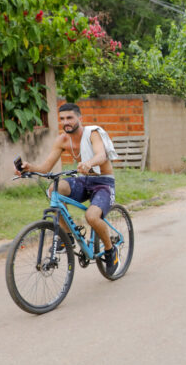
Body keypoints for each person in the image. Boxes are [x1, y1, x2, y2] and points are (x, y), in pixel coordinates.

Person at [15, 102, 120, 276]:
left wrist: (90, 163)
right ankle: (67, 236)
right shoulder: (62, 140)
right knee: (54, 190)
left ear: (80, 118)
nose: (66, 122)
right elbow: (46, 167)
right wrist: (28, 167)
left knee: (92, 217)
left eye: (70, 118)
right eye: (62, 119)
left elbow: (101, 155)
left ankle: (110, 251)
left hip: (103, 182)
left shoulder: (92, 133)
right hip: (82, 181)